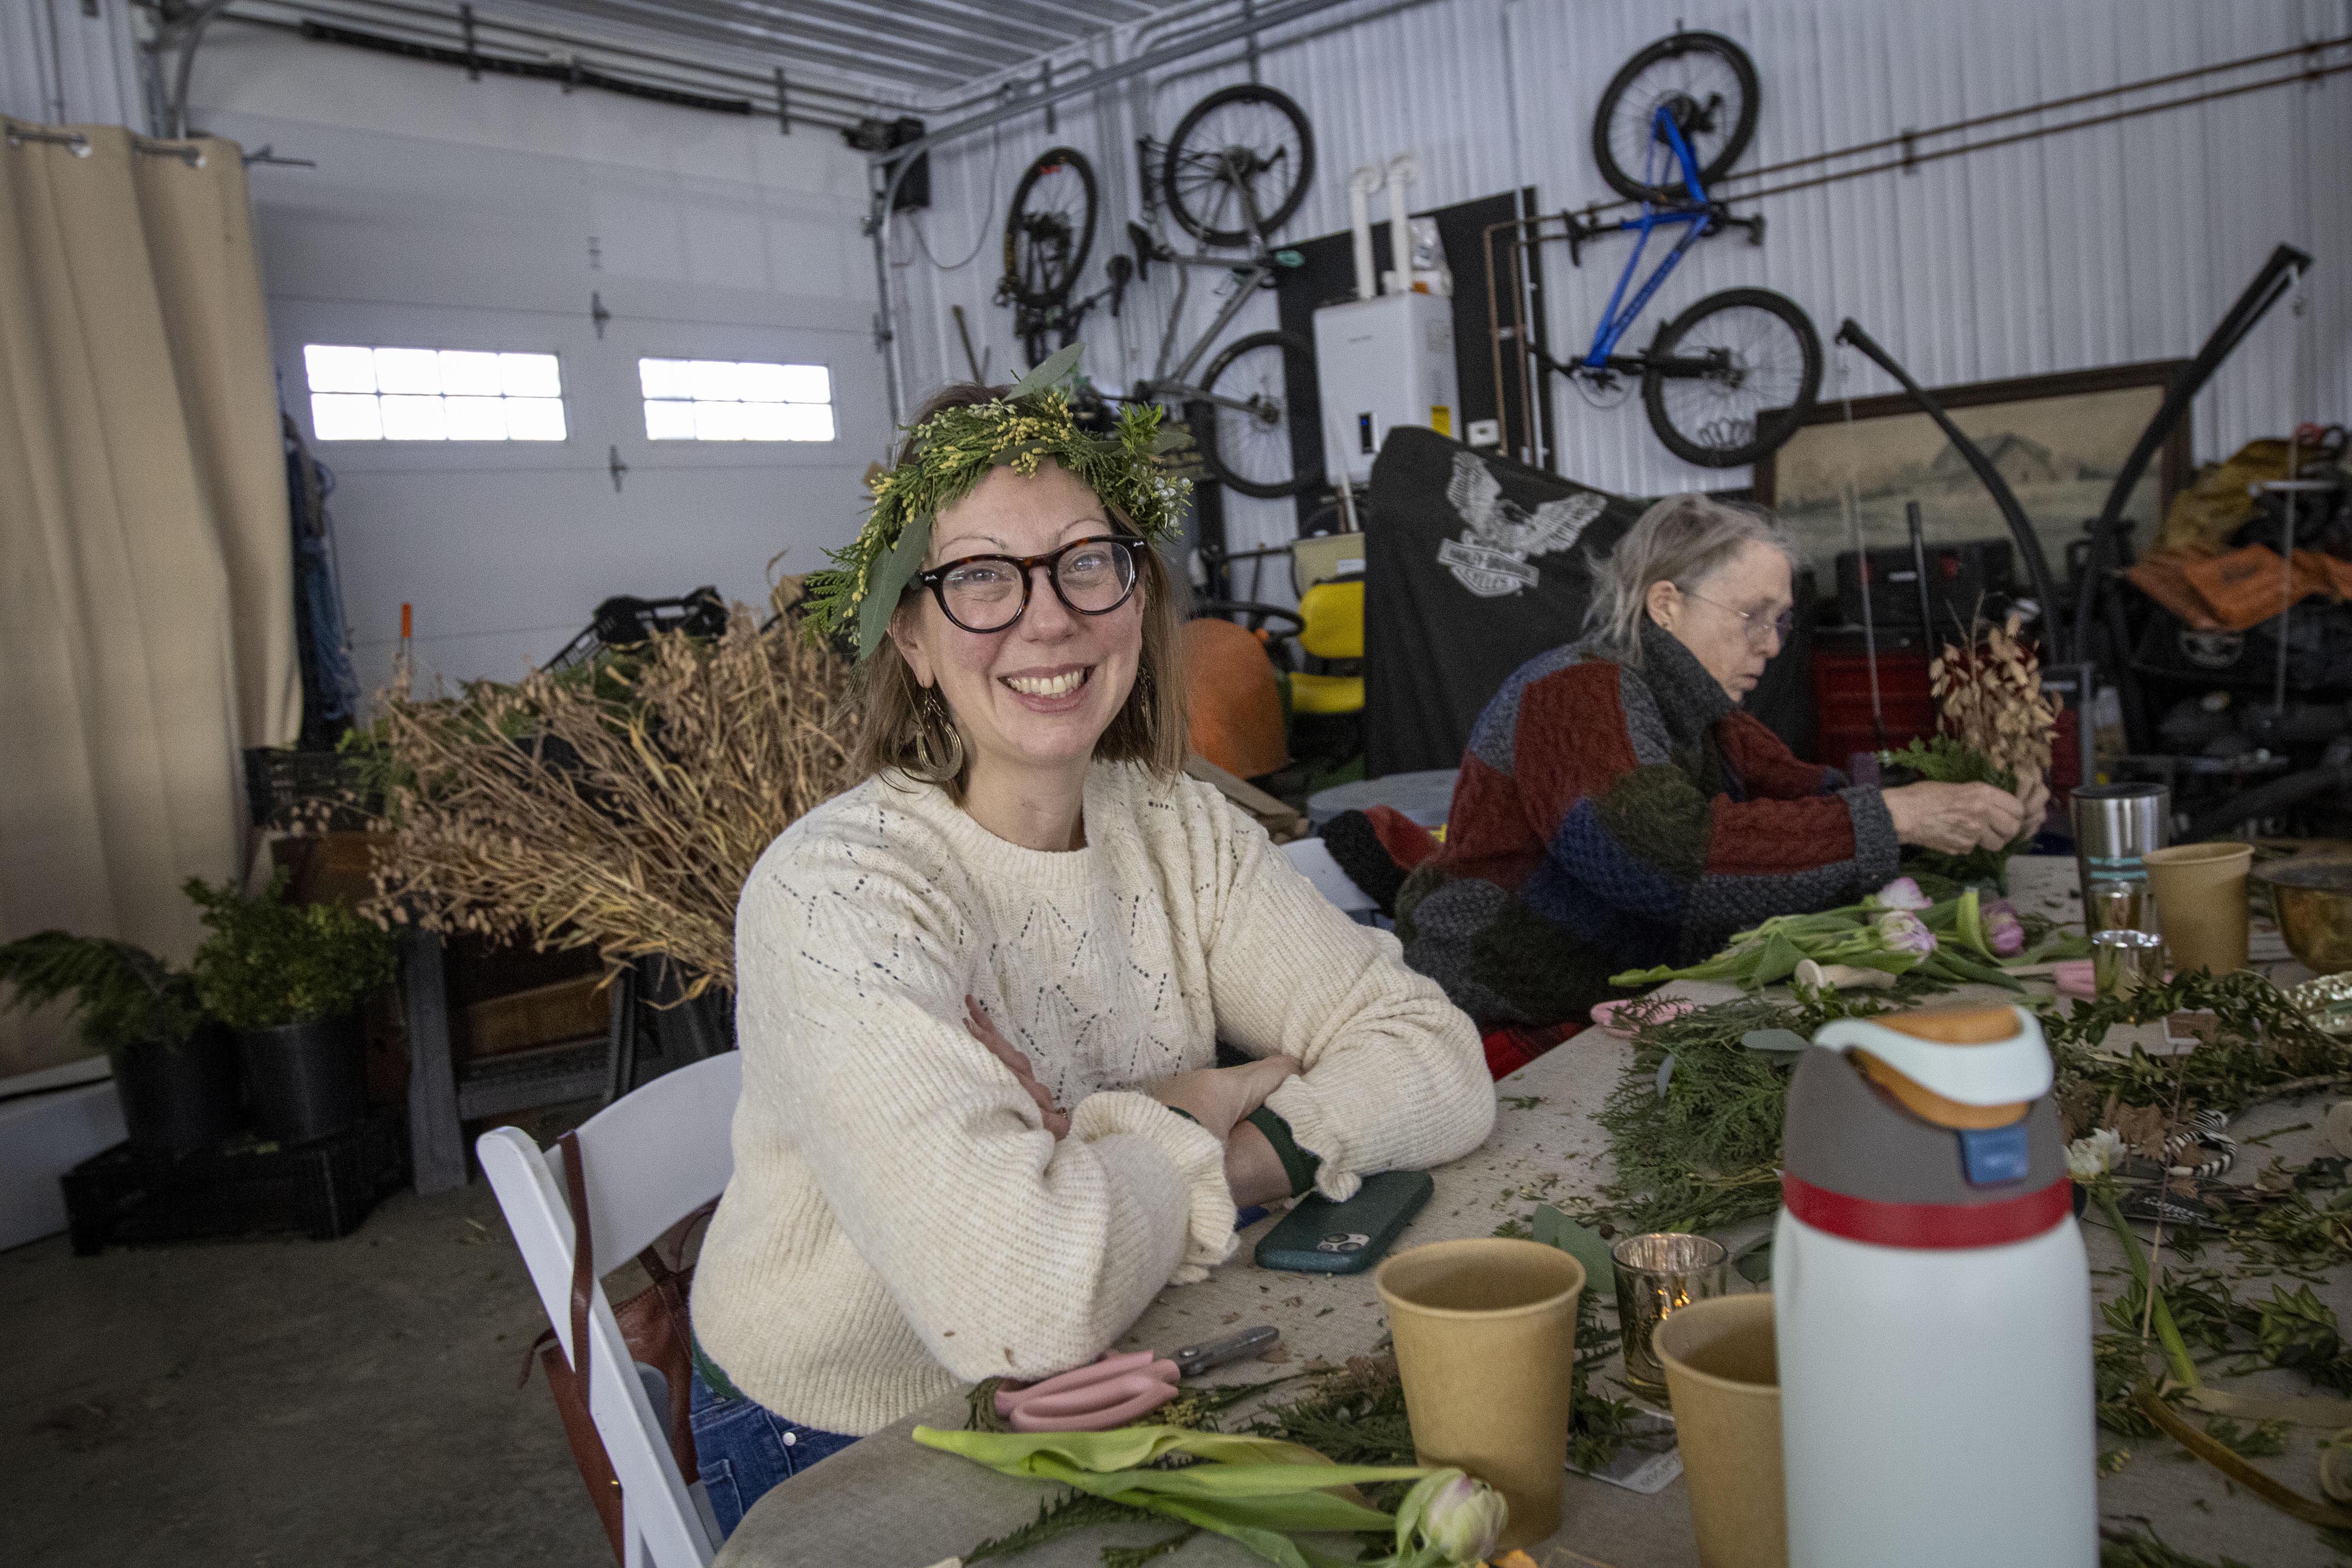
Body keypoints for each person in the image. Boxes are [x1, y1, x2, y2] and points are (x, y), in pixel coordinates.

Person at [686, 352, 1495, 1536]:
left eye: (1085, 561)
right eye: (979, 578)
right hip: (854, 1420)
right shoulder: (838, 896)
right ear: (910, 635)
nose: (1048, 615)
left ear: (1137, 593)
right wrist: (1189, 1097)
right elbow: (1022, 1299)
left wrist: (1140, 1153)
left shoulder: (1170, 820)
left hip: (1124, 1335)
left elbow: (1439, 1063)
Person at [1392, 493, 2046, 1044]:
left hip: (1610, 999)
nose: (1770, 643)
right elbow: (1660, 860)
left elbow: (1813, 799)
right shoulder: (1575, 695)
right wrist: (1897, 816)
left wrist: (1967, 812)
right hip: (1501, 1011)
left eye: (1780, 621)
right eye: (1751, 617)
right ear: (1666, 604)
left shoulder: (1705, 715)